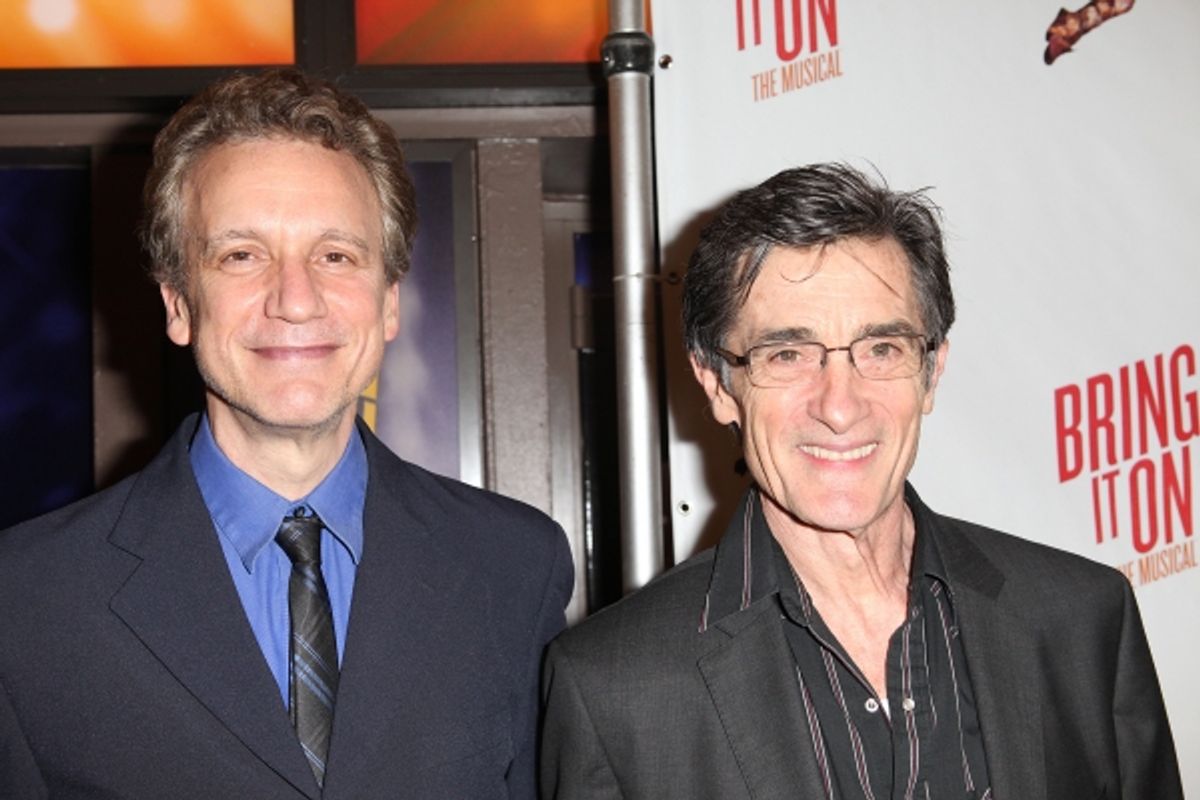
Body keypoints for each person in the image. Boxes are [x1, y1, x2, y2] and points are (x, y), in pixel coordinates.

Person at [0, 69, 573, 799]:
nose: (295, 301)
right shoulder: (25, 603)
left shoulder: (515, 567)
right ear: (179, 304)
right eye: (242, 255)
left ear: (389, 301)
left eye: (336, 255)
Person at [540, 163, 1182, 799]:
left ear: (931, 373)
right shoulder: (615, 686)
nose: (840, 406)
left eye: (882, 349)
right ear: (719, 385)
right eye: (786, 354)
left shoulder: (1082, 618)